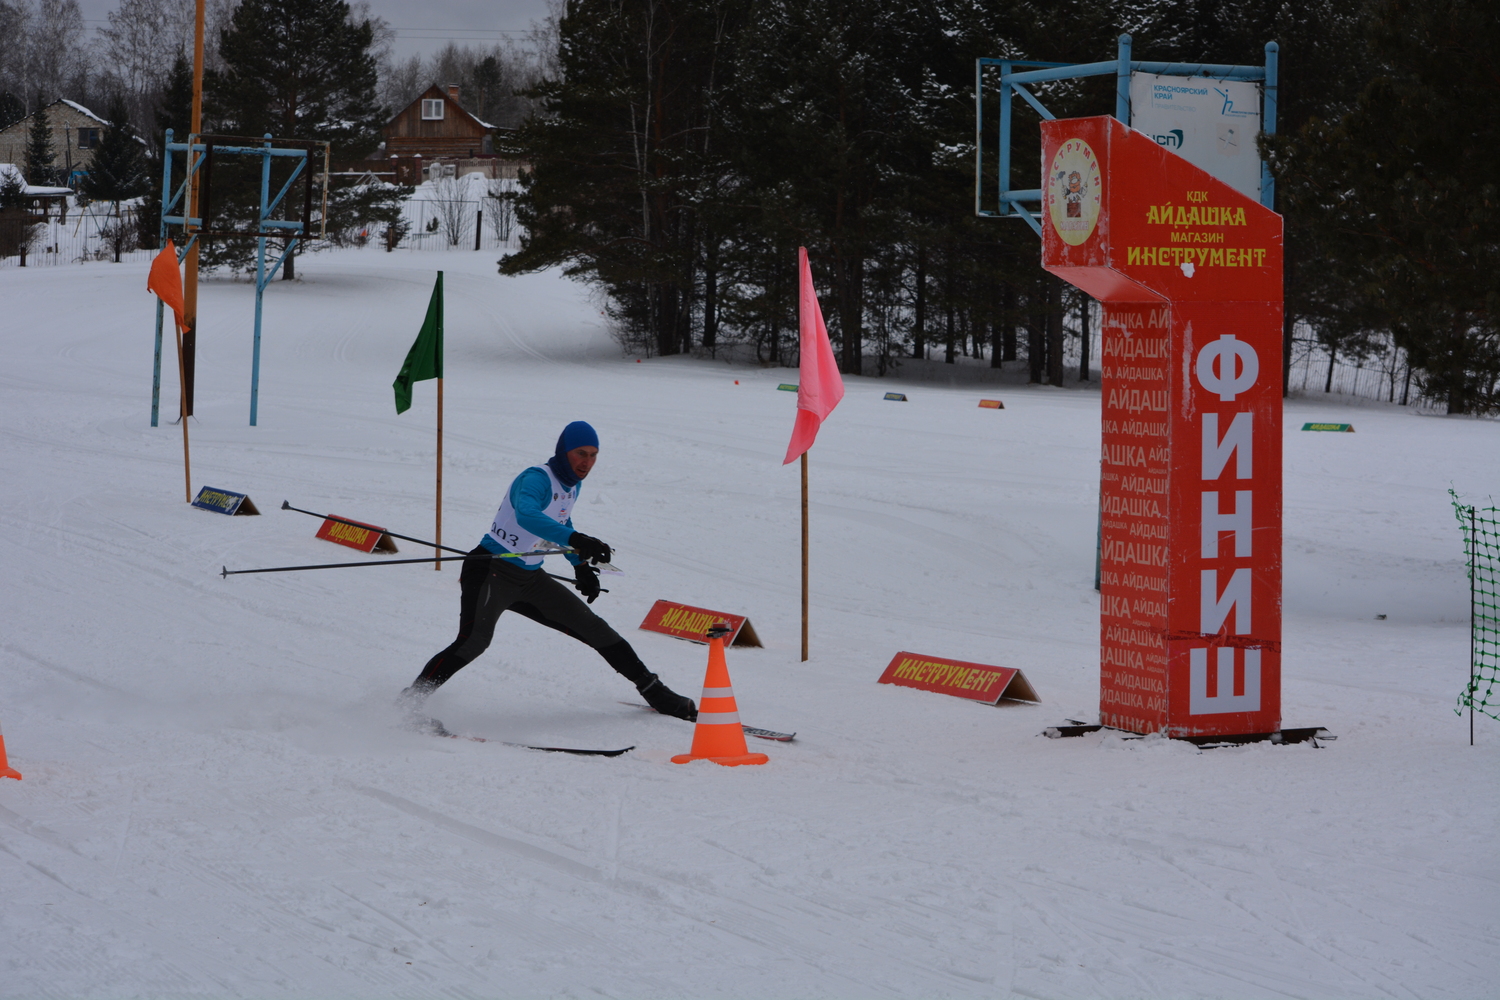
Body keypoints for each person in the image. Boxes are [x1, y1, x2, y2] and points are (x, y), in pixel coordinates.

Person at [397, 421, 698, 733]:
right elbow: (528, 516)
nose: (587, 462)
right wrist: (578, 539)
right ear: (563, 451)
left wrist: (578, 564)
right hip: (491, 570)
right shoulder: (536, 479)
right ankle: (405, 707)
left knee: (594, 627)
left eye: (594, 455)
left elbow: (560, 521)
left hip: (529, 579)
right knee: (474, 641)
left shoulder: (571, 486)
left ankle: (655, 693)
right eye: (581, 453)